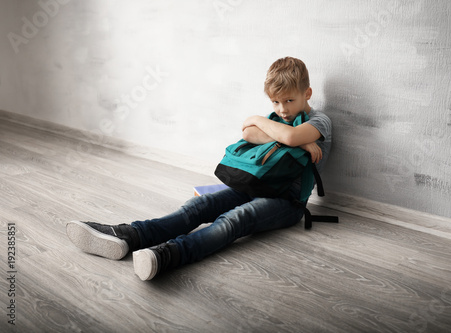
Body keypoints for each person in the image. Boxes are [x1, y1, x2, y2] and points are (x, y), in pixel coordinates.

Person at [66, 57, 332, 281]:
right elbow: (251, 133)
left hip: (288, 203)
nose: (282, 109)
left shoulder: (320, 121)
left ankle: (168, 254)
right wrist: (265, 125)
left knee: (235, 220)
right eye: (275, 102)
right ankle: (129, 234)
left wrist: (279, 130)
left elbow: (287, 137)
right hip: (254, 186)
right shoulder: (277, 119)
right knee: (197, 207)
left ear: (306, 94)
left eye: (288, 101)